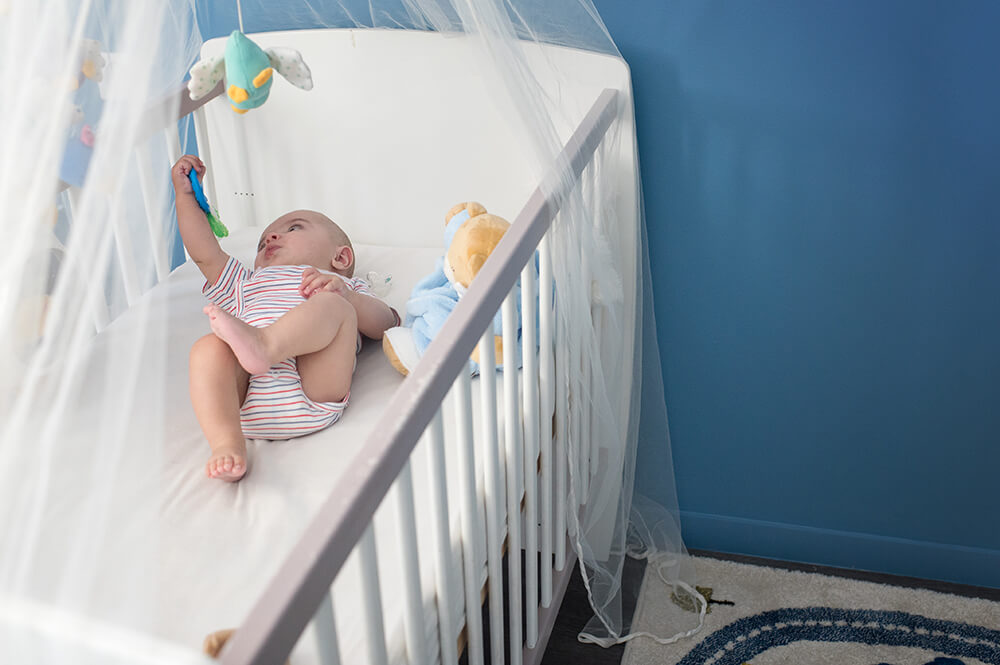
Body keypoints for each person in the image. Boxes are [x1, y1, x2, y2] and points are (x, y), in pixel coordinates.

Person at [171, 155, 398, 482]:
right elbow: (204, 252)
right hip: (245, 398)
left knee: (333, 308)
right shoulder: (246, 282)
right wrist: (186, 197)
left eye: (293, 228)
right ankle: (226, 443)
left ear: (341, 256)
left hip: (314, 390)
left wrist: (349, 298)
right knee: (207, 349)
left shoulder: (344, 285)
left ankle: (264, 344)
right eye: (263, 241)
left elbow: (386, 323)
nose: (271, 238)